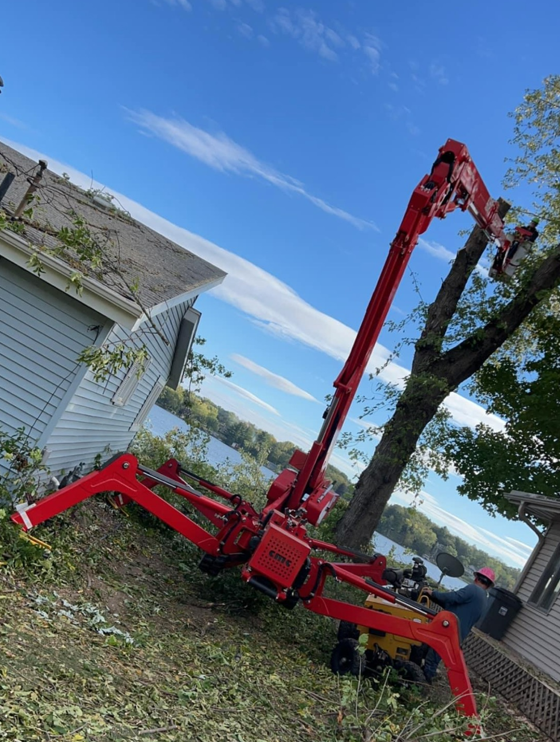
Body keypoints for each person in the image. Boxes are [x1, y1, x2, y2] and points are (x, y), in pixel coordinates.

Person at [422, 567, 495, 683]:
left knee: (432, 660)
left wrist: (433, 593)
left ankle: (422, 684)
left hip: (449, 631)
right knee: (431, 654)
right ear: (489, 585)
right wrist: (434, 597)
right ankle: (421, 678)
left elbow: (453, 597)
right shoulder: (483, 599)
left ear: (476, 578)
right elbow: (453, 605)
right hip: (457, 635)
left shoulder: (473, 589)